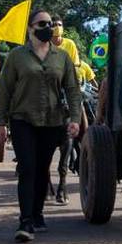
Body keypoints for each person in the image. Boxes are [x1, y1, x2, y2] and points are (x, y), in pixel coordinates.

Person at [0, 8, 81, 240]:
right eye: (42, 24)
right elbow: (4, 90)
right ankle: (25, 221)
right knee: (27, 168)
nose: (48, 28)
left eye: (50, 23)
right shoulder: (16, 57)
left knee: (43, 169)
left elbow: (72, 90)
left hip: (52, 121)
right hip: (23, 119)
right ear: (30, 28)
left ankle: (38, 213)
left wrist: (75, 118)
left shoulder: (62, 57)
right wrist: (0, 123)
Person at [50, 17, 80, 203]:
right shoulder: (43, 43)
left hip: (67, 84)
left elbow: (75, 67)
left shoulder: (69, 44)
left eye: (60, 25)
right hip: (47, 86)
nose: (56, 28)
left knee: (84, 106)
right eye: (54, 25)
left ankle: (82, 133)